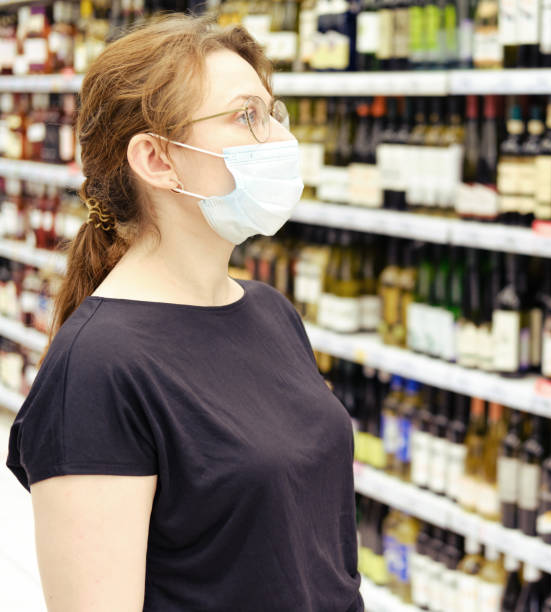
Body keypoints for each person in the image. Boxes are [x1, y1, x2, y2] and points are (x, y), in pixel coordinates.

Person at [5, 13, 363, 612]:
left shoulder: (271, 313)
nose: (280, 139)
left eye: (274, 113)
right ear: (156, 159)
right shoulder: (96, 370)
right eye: (247, 116)